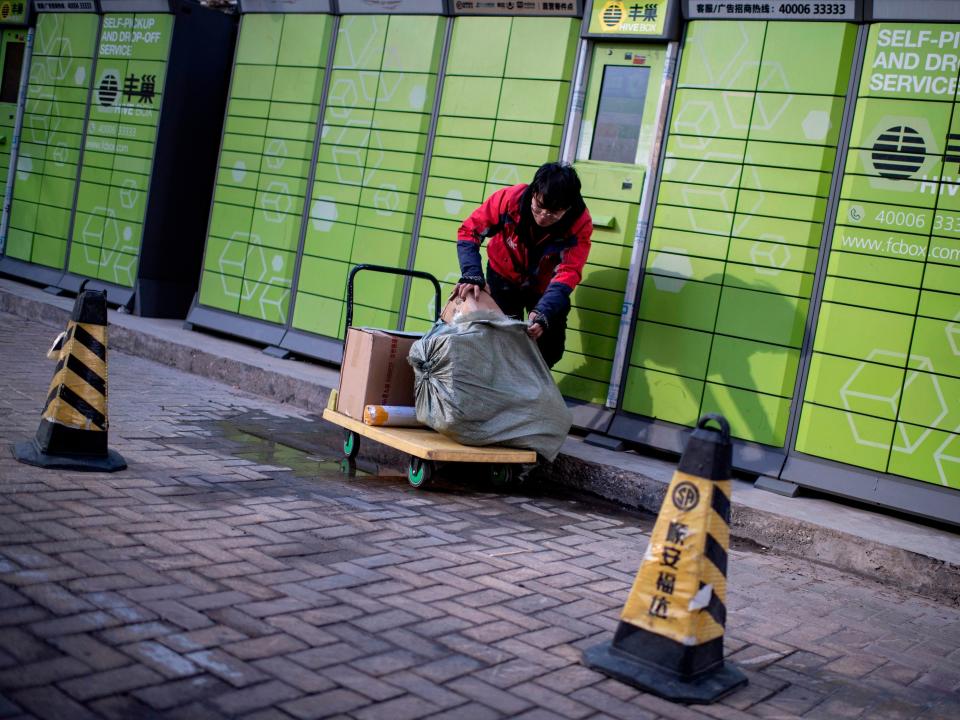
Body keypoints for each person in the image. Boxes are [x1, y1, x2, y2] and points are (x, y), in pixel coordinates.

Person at [452, 162, 592, 369]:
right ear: (534, 192)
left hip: (546, 288)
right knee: (503, 341)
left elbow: (568, 272)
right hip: (503, 275)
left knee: (550, 350)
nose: (544, 216)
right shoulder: (509, 200)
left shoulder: (579, 225)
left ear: (568, 208)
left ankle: (528, 387)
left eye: (554, 212)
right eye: (540, 206)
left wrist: (543, 311)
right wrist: (472, 274)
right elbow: (470, 231)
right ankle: (503, 389)